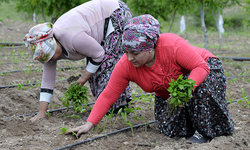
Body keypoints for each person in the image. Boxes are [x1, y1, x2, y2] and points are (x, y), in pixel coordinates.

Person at [65, 14, 234, 144]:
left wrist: (184, 92)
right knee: (170, 129)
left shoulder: (172, 45)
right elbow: (109, 94)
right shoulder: (126, 65)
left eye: (135, 53)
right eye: (126, 52)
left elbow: (201, 68)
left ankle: (205, 131)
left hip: (204, 68)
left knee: (200, 90)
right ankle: (192, 123)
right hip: (169, 89)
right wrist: (89, 123)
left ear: (150, 47)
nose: (130, 58)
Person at [23, 0, 132, 122]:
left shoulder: (73, 38)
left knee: (107, 64)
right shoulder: (49, 52)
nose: (51, 62)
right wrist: (41, 113)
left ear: (54, 44)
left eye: (51, 58)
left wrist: (82, 79)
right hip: (100, 23)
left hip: (114, 13)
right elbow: (47, 81)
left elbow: (99, 54)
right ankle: (115, 106)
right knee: (94, 71)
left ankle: (116, 108)